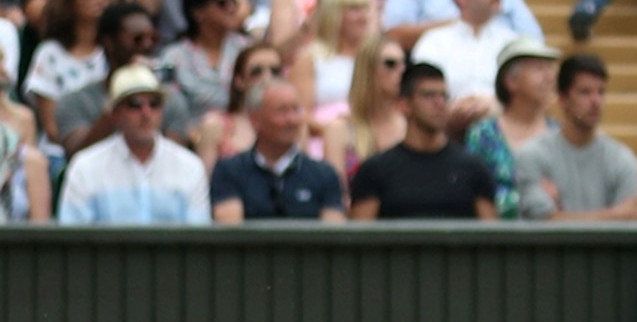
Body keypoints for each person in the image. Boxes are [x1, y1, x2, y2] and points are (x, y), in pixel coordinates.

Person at [57, 65, 211, 223]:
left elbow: (199, 241)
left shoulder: (190, 167)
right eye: (135, 104)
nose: (146, 113)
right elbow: (74, 240)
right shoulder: (85, 168)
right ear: (115, 114)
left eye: (154, 104)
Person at [346, 62, 497, 221]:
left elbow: (491, 238)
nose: (439, 103)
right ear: (404, 105)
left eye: (444, 96)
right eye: (428, 95)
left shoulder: (473, 169)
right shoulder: (375, 170)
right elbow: (359, 238)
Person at [516, 54, 637, 221]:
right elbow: (543, 223)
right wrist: (616, 215)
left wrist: (561, 216)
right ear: (563, 100)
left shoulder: (622, 158)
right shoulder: (533, 155)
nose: (596, 101)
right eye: (585, 92)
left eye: (601, 92)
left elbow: (631, 222)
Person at [208, 76, 346, 222]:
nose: (292, 120)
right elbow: (230, 234)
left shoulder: (324, 175)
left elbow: (332, 236)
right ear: (255, 119)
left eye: (296, 110)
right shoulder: (229, 171)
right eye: (282, 111)